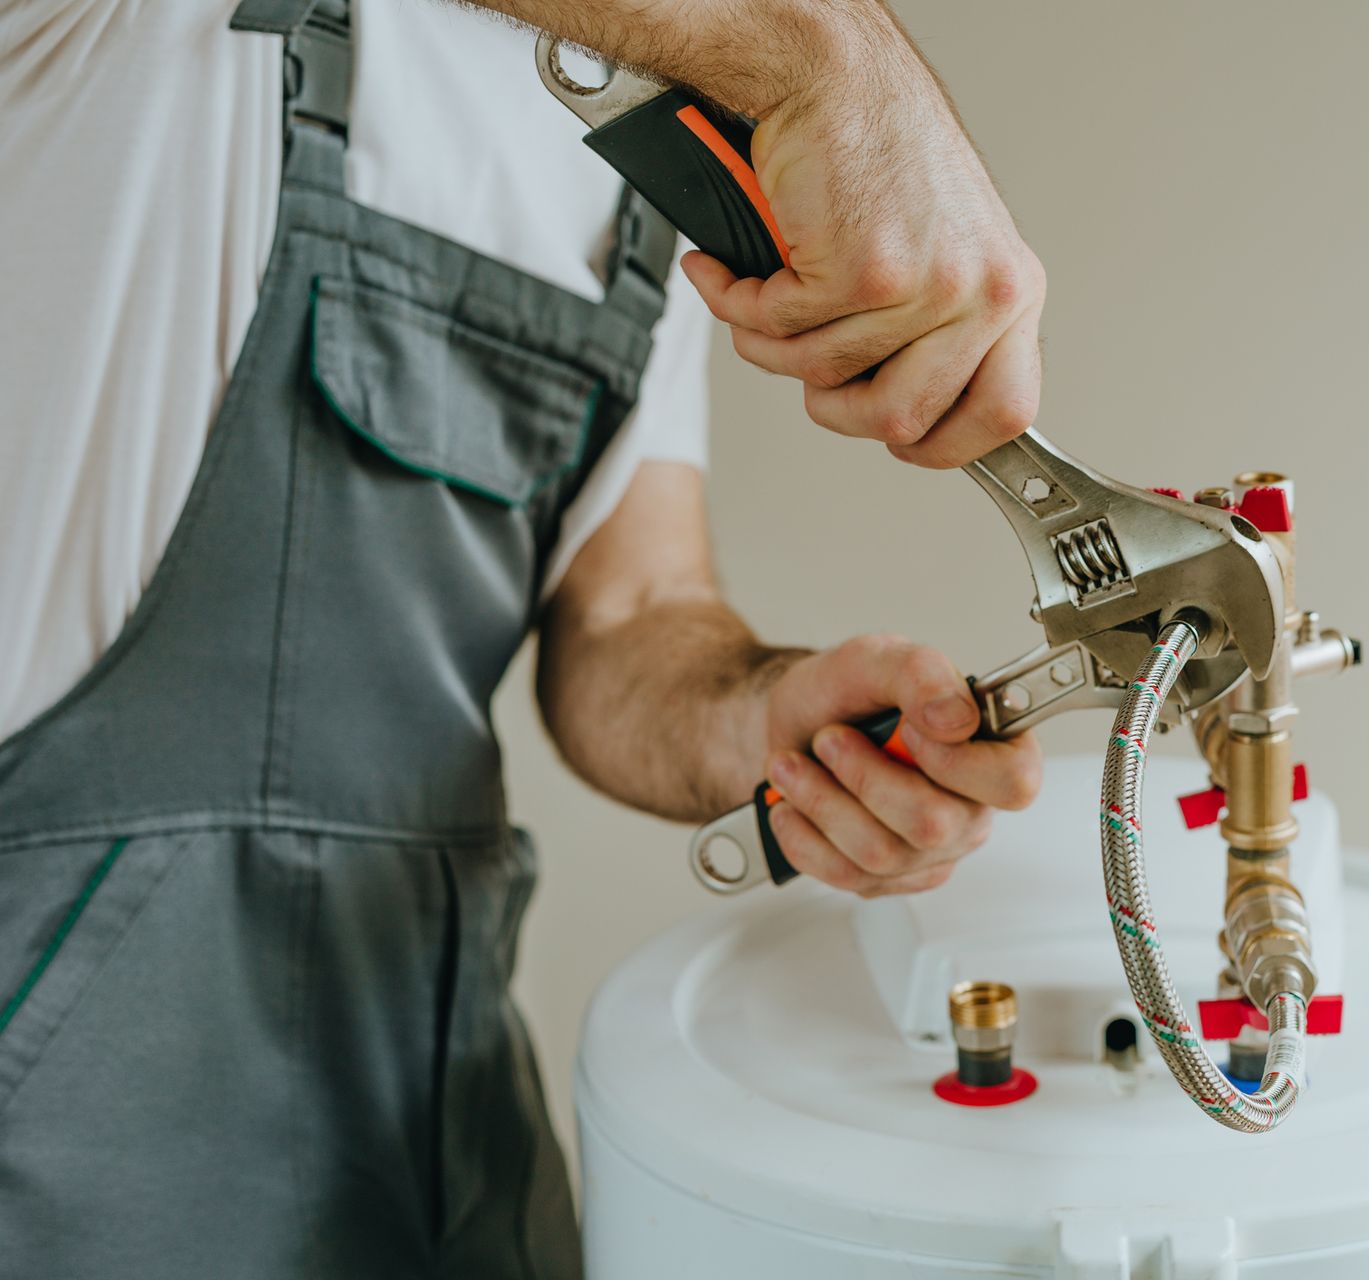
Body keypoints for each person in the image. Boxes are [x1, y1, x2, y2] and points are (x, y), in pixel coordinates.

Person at [0, 1, 1046, 1275]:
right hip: (55, 1129)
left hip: (435, 1141)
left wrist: (765, 720)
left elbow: (631, 611)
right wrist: (834, 59)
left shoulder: (641, 146)